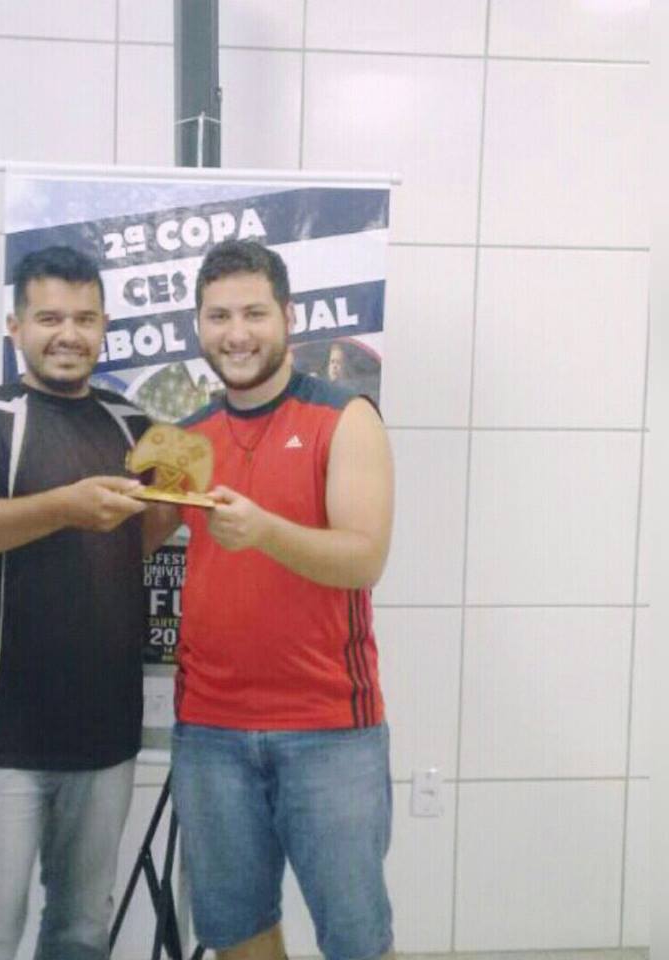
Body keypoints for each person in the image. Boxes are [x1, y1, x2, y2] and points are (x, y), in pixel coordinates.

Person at [0, 245, 162, 960]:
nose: (69, 334)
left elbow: (146, 533)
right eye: (50, 318)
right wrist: (64, 507)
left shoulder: (134, 425)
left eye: (85, 318)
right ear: (15, 326)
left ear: (105, 325)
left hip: (105, 732)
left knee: (82, 935)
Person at [171, 240, 396, 960]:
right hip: (210, 730)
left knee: (358, 942)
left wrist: (265, 531)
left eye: (254, 314)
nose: (236, 333)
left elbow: (364, 558)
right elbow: (131, 541)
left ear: (289, 317)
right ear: (198, 325)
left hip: (328, 727)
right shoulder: (187, 437)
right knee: (237, 937)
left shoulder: (345, 417)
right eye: (218, 316)